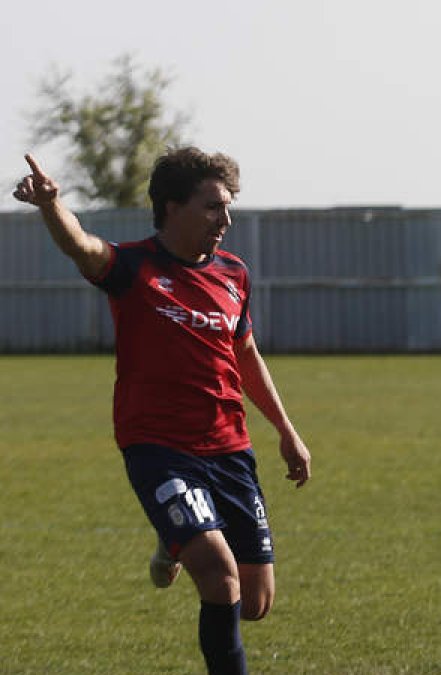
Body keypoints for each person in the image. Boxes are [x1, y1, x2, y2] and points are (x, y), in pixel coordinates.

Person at [12, 149, 312, 674]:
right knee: (220, 578)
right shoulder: (133, 267)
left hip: (228, 445)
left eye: (228, 207)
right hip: (158, 447)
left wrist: (286, 430)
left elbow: (245, 355)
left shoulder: (234, 274)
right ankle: (184, 535)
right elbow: (80, 246)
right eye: (213, 207)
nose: (226, 220)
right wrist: (51, 207)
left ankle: (171, 540)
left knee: (257, 601)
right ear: (172, 207)